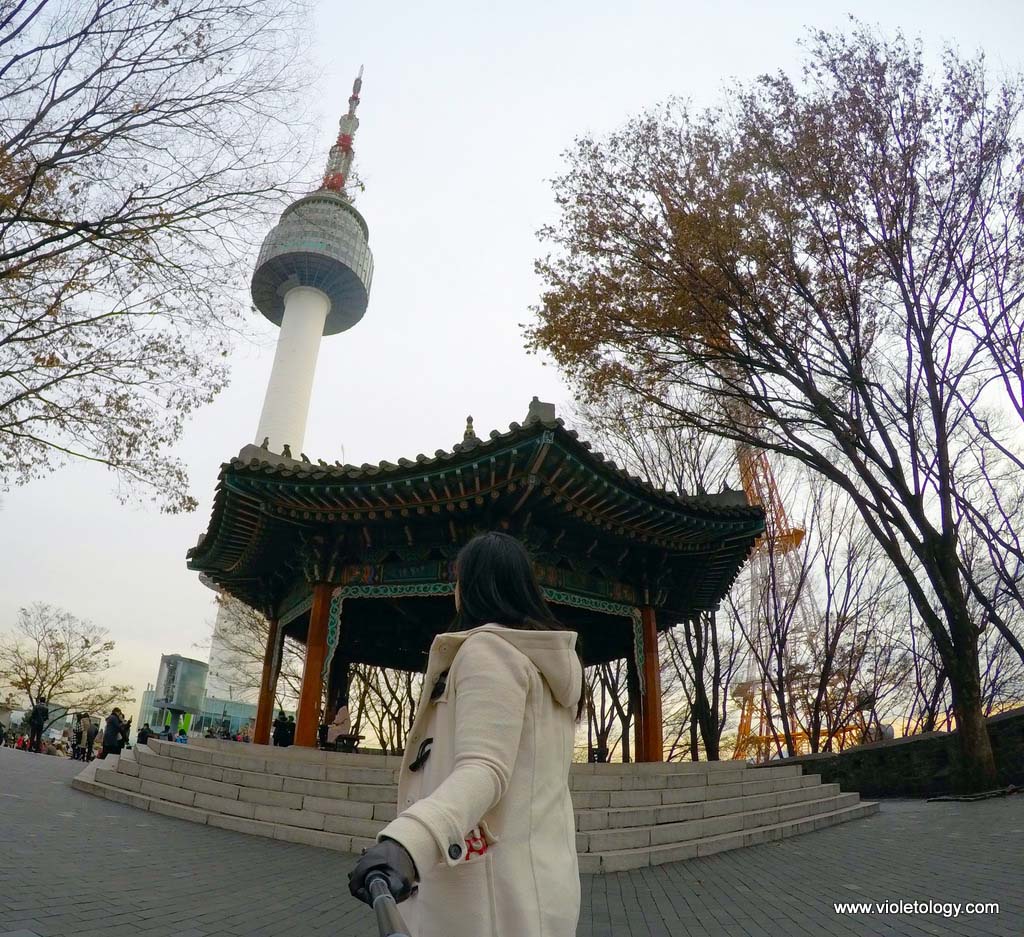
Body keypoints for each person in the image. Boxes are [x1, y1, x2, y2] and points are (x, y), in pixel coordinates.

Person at [348, 531, 585, 937]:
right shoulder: (547, 674)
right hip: (541, 891)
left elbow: (484, 769)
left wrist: (408, 842)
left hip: (487, 902)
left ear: (473, 586)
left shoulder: (487, 652)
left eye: (458, 579)